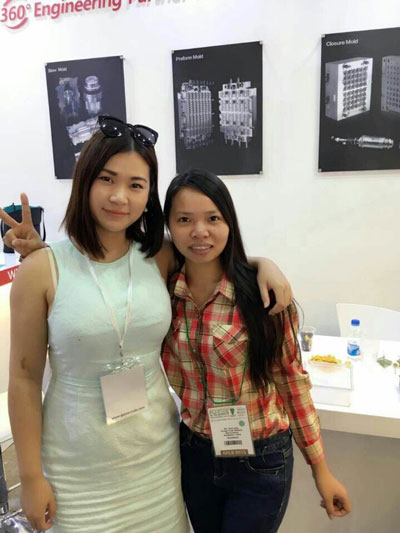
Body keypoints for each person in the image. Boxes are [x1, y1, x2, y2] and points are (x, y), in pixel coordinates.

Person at [0, 117, 293, 532]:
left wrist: (264, 264)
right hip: (77, 462)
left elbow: (212, 254)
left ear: (149, 194)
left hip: (155, 455)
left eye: (136, 185)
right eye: (107, 179)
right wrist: (31, 477)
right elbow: (25, 378)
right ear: (84, 181)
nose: (119, 196)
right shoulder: (40, 271)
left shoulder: (159, 256)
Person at [162, 169, 351, 533]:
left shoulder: (262, 296)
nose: (199, 231)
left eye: (213, 218)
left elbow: (292, 383)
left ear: (229, 223)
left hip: (261, 458)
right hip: (195, 453)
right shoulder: (163, 295)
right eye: (184, 220)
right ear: (169, 226)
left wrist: (321, 470)